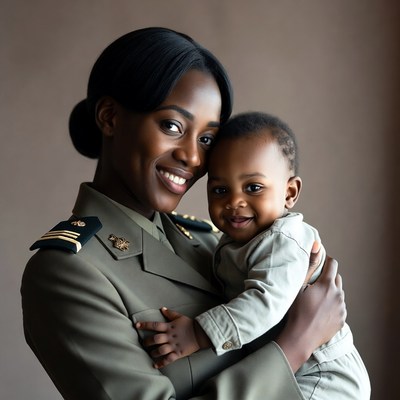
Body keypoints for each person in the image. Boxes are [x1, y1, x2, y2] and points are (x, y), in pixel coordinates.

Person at [21, 27, 347, 400]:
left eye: (207, 139)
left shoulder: (213, 240)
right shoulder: (67, 273)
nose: (193, 157)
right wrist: (296, 344)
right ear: (110, 117)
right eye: (172, 126)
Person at [137, 112, 370, 399]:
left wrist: (198, 333)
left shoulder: (283, 240)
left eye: (253, 188)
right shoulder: (233, 241)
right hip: (287, 369)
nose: (234, 201)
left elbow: (264, 302)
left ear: (290, 192)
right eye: (220, 189)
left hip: (323, 376)